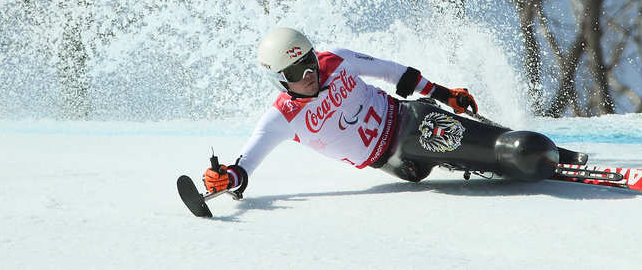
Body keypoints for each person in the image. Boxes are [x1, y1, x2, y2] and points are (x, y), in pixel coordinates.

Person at [202, 26, 485, 196]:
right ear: (279, 80)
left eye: (309, 60)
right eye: (297, 70)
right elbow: (245, 166)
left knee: (462, 137)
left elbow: (392, 72)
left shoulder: (334, 60)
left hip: (410, 118)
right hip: (396, 163)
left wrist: (444, 94)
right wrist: (228, 179)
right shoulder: (281, 118)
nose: (310, 72)